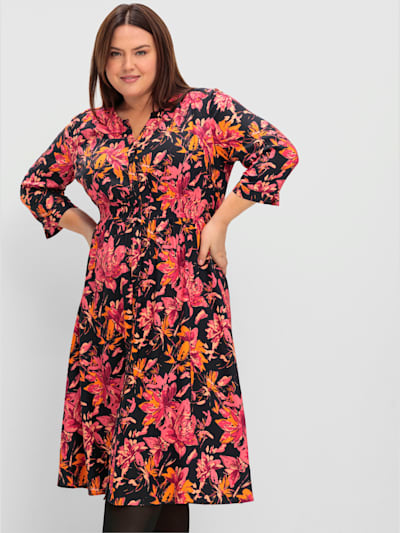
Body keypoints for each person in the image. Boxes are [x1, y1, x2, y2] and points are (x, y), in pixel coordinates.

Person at [20, 3, 299, 532]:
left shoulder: (205, 110)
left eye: (140, 51)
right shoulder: (89, 127)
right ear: (101, 62)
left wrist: (220, 220)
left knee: (156, 458)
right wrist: (93, 230)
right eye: (115, 54)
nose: (128, 65)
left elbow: (278, 152)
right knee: (161, 474)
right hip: (110, 312)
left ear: (161, 53)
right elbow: (36, 187)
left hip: (183, 307)